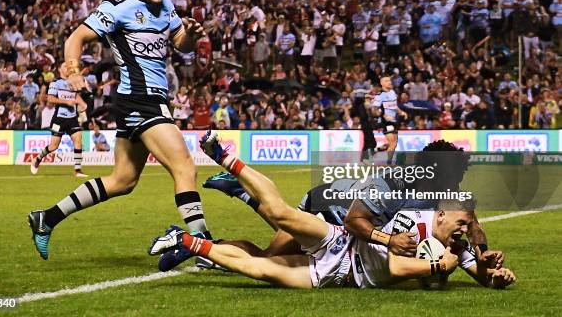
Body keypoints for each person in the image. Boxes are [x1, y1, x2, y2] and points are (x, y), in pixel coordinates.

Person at [27, 0, 213, 269]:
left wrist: (190, 38)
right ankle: (205, 249)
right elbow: (76, 37)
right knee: (184, 167)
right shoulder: (117, 8)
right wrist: (72, 71)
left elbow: (179, 42)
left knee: (123, 180)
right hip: (139, 99)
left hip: (151, 99)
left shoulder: (165, 4)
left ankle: (46, 218)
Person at [149, 133, 515, 290]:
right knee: (274, 244)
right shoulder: (398, 182)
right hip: (332, 208)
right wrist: (390, 239)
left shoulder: (443, 198)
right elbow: (356, 221)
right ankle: (239, 190)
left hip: (350, 237)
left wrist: (484, 258)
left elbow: (472, 225)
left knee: (267, 257)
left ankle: (210, 225)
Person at [30, 63, 89, 177]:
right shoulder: (55, 83)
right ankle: (37, 159)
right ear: (59, 69)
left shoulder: (72, 82)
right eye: (65, 66)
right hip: (59, 118)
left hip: (72, 117)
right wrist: (66, 102)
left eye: (69, 66)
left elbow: (75, 96)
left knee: (78, 139)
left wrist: (82, 103)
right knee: (53, 146)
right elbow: (51, 99)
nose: (68, 68)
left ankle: (77, 170)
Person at [371, 76, 408, 162]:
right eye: (387, 81)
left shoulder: (392, 92)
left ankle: (377, 150)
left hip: (394, 121)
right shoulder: (380, 95)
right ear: (382, 83)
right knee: (392, 143)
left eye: (390, 81)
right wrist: (383, 115)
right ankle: (388, 164)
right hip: (385, 122)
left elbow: (394, 106)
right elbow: (374, 110)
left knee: (393, 143)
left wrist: (401, 112)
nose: (390, 82)